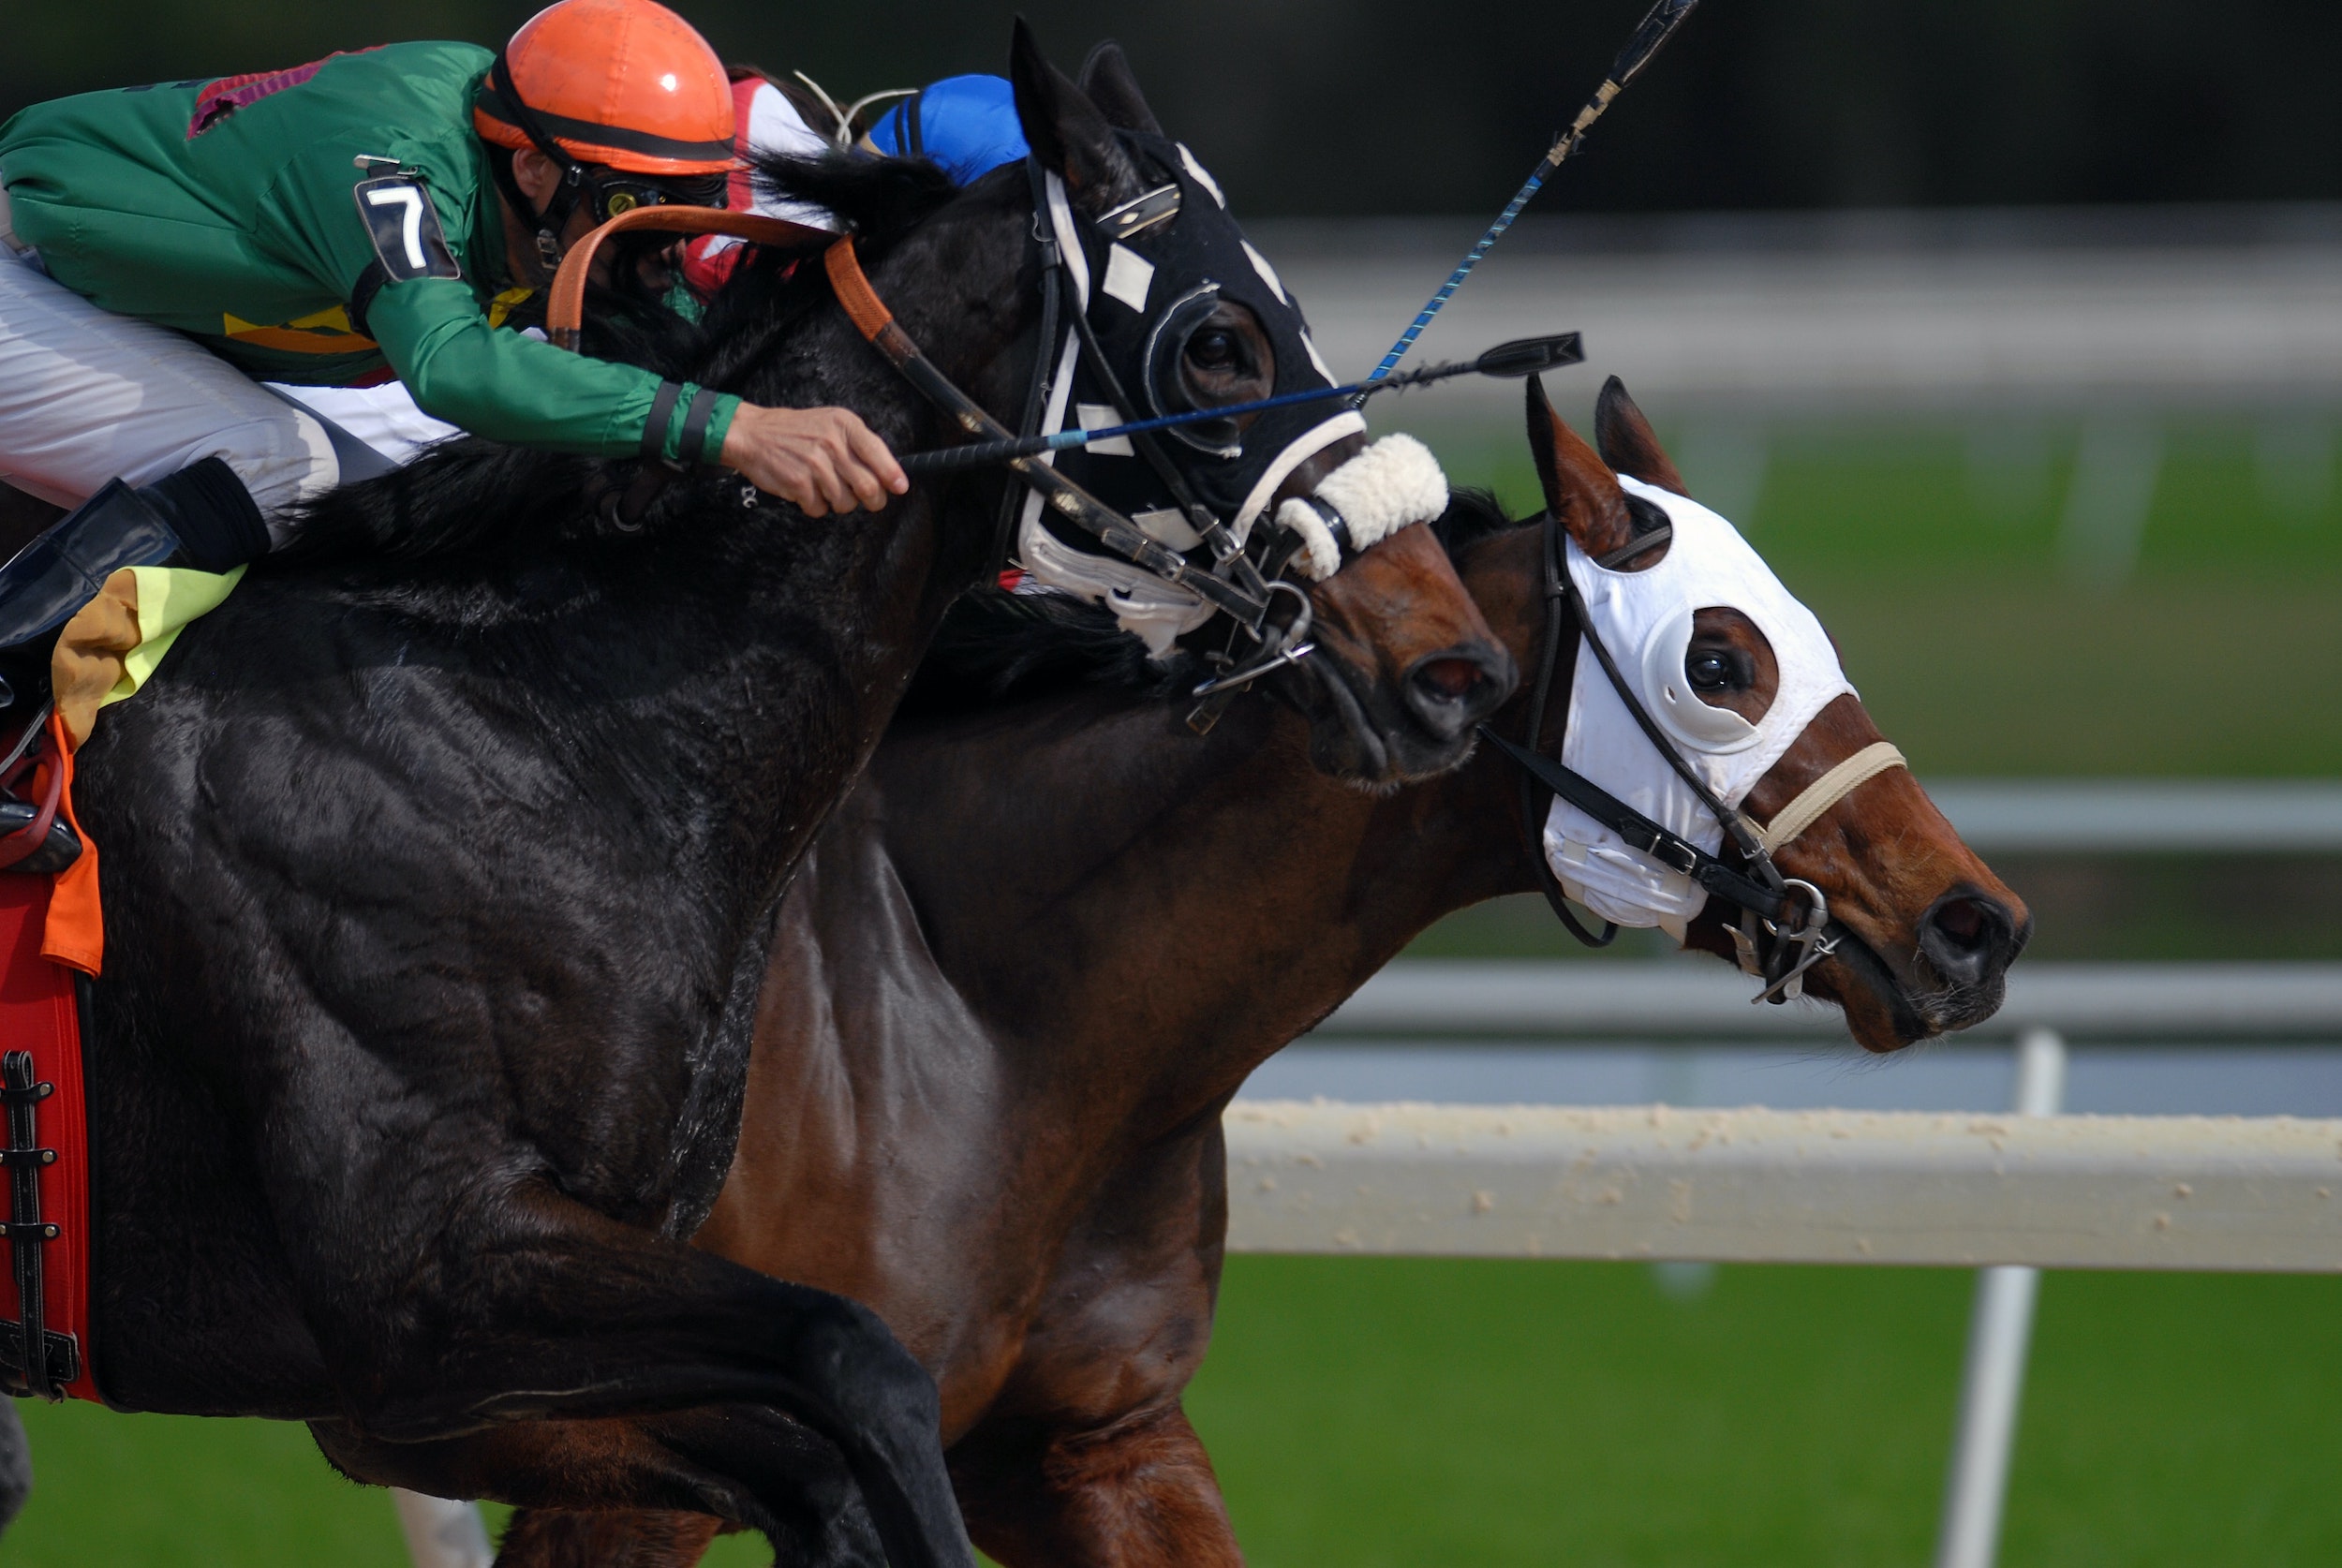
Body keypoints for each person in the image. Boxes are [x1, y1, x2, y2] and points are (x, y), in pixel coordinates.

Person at [0, 0, 906, 665]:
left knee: (404, 499)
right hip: (22, 281)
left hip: (98, 305)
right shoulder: (386, 168)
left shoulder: (533, 174)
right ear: (532, 167)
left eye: (692, 208)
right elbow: (451, 369)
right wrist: (732, 428)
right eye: (639, 206)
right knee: (285, 469)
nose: (665, 246)